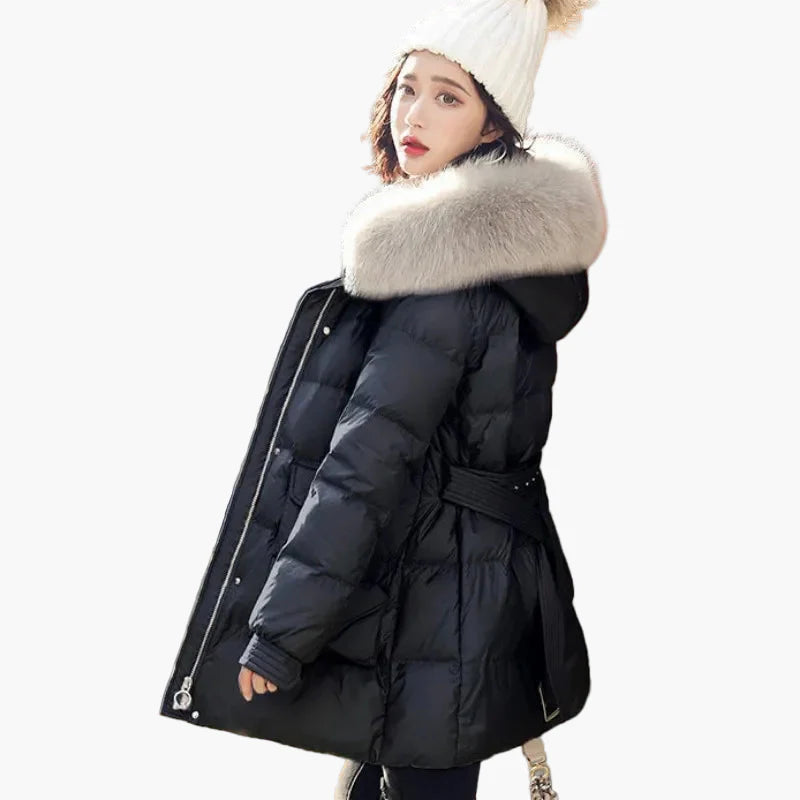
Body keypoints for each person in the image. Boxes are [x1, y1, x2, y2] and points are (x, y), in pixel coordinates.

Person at [159, 1, 606, 798]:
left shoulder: (443, 278)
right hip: (475, 596)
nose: (414, 115)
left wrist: (280, 633)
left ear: (494, 126)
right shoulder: (515, 265)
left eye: (448, 96)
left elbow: (364, 468)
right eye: (408, 87)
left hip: (423, 609)